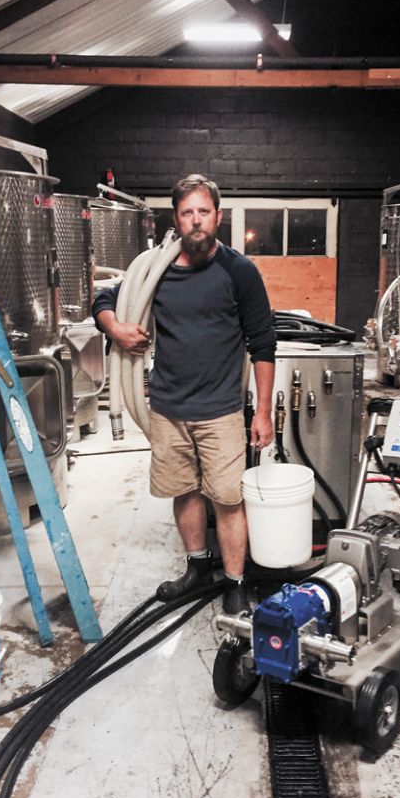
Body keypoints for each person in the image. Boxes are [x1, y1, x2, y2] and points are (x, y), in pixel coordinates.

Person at [92, 174, 276, 614]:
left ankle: (234, 581)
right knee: (184, 492)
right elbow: (102, 296)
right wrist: (114, 326)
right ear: (175, 218)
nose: (197, 222)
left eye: (204, 212)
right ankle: (197, 567)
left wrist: (263, 411)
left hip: (221, 411)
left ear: (219, 216)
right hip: (168, 407)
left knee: (228, 500)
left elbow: (263, 344)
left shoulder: (239, 272)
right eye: (188, 213)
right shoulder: (153, 273)